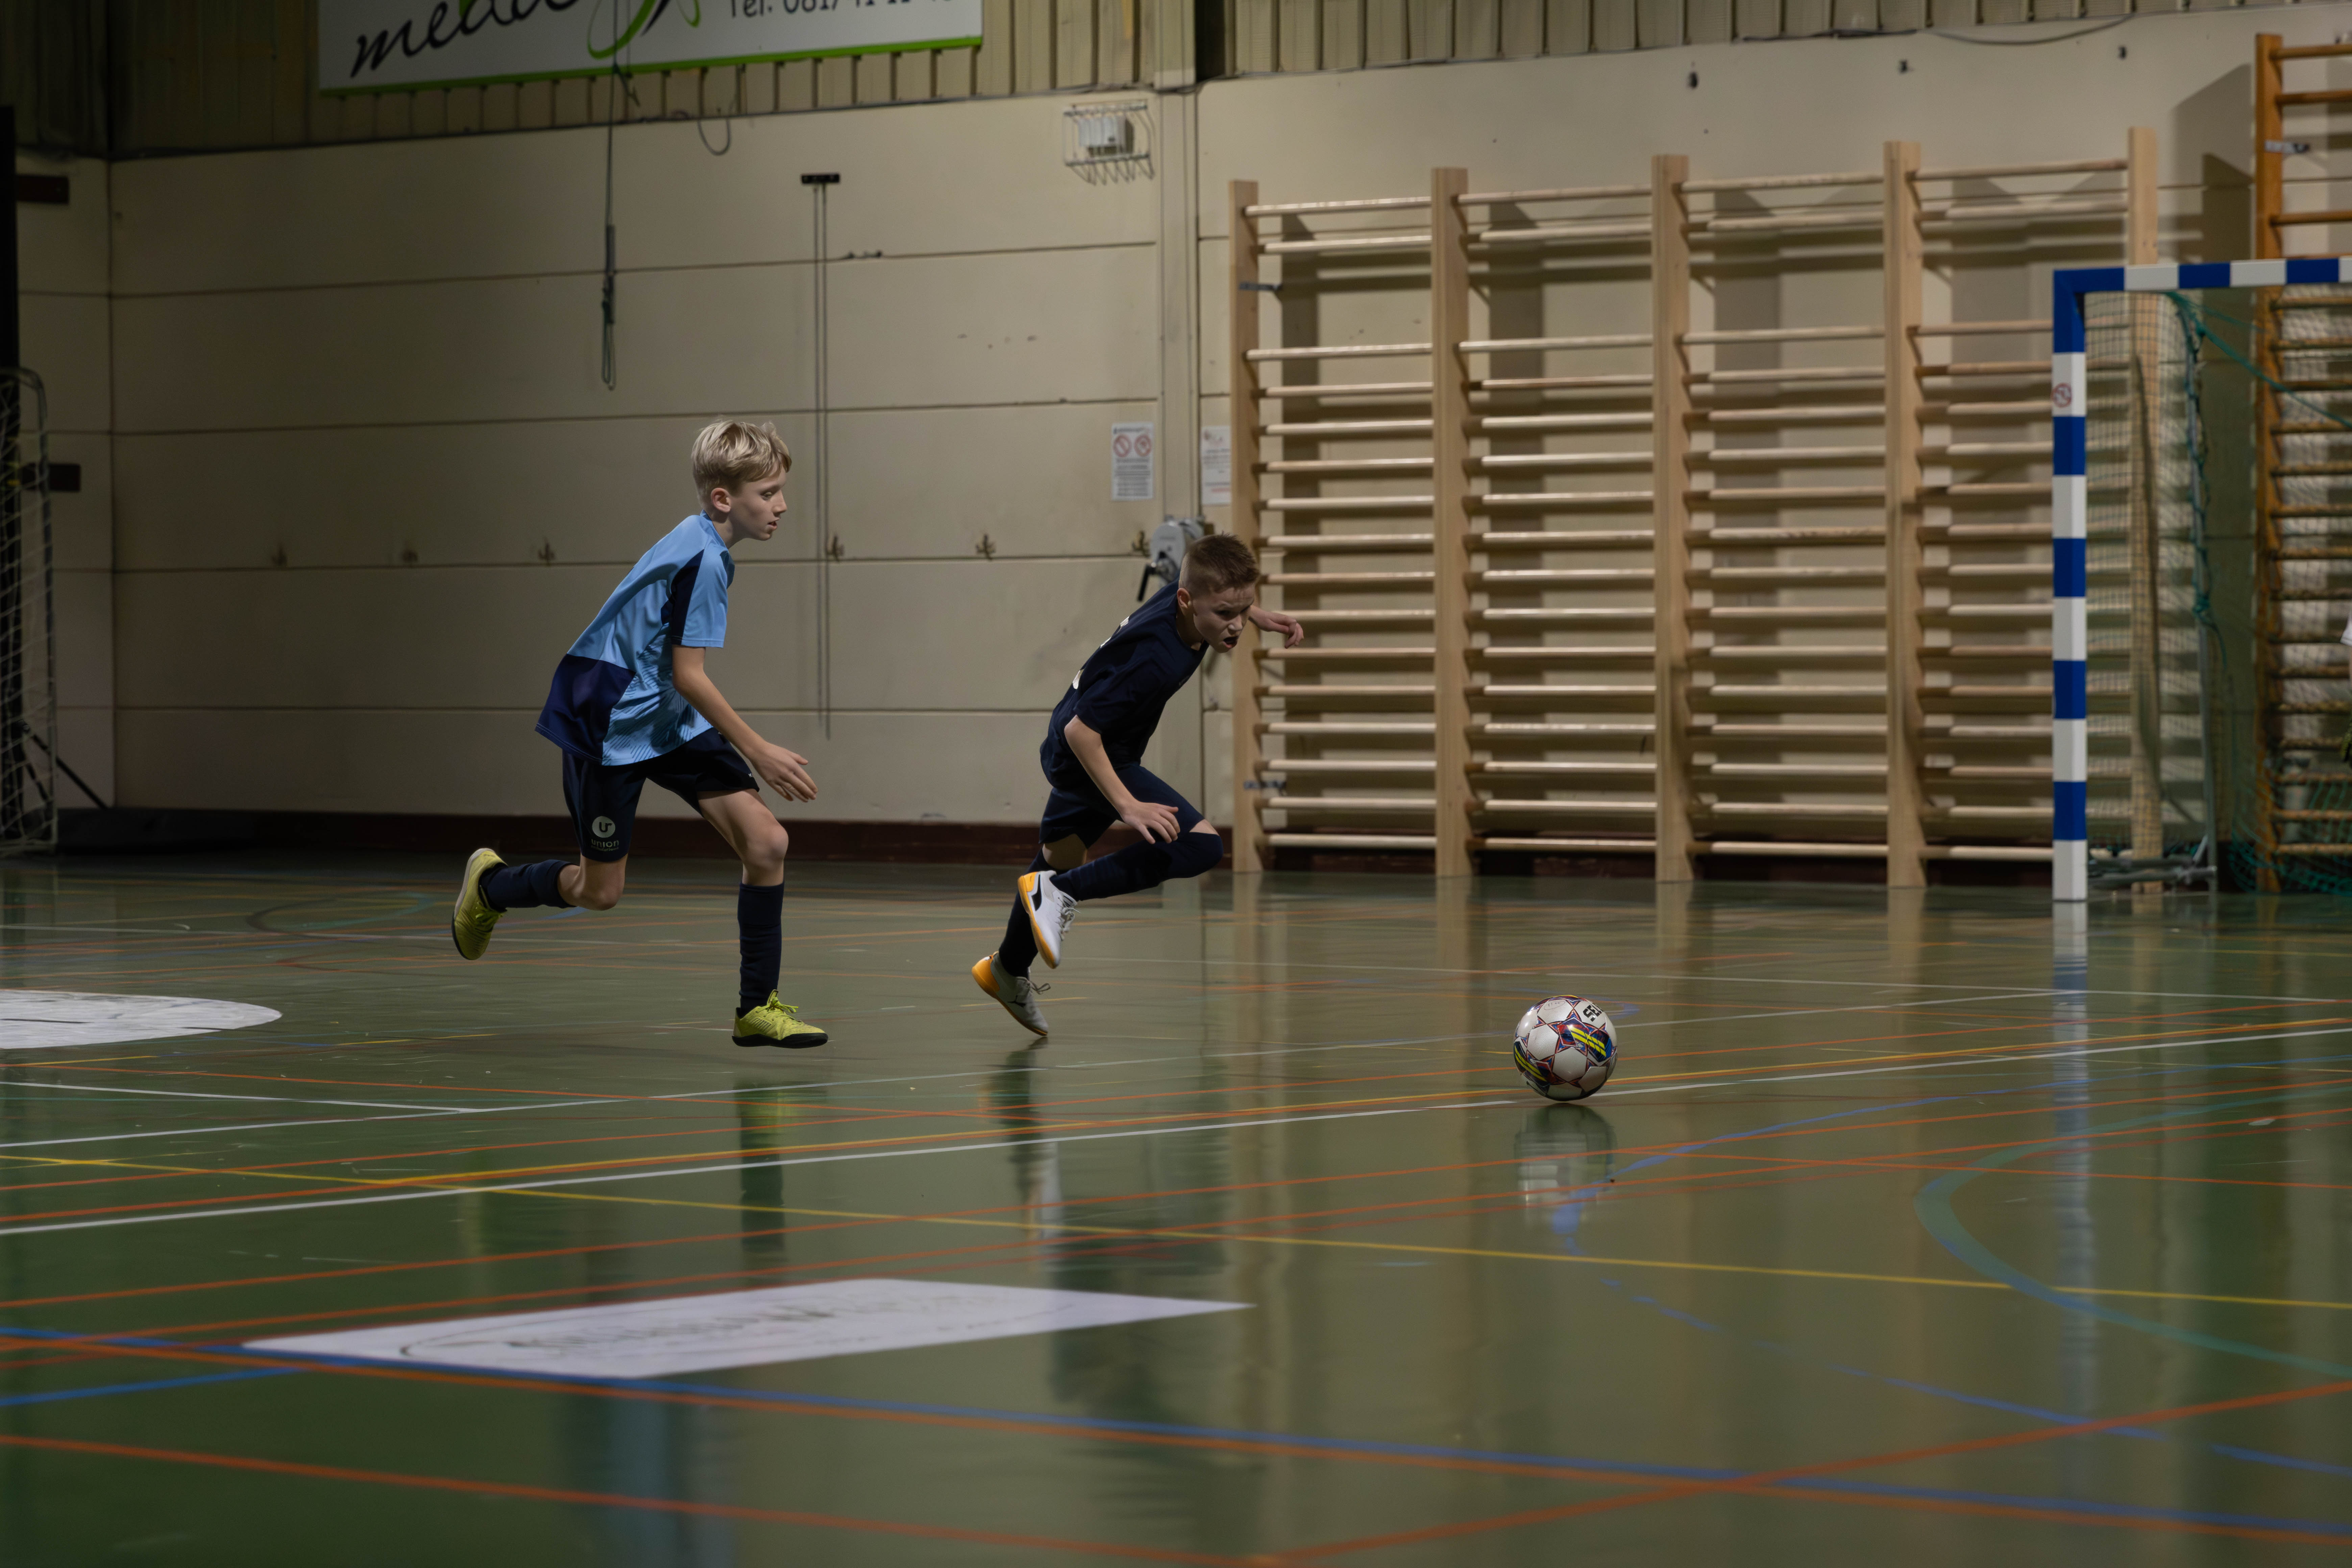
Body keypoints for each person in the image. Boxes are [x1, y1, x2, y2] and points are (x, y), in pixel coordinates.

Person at [449, 420, 828, 1048]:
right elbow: (690, 675)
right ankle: (491, 886)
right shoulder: (704, 560)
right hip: (611, 724)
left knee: (767, 844)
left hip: (666, 717)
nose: (782, 505)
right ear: (723, 499)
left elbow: (675, 677)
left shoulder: (705, 543)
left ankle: (757, 1008)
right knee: (599, 892)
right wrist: (757, 750)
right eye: (769, 493)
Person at [971, 533, 1302, 1035]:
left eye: (1243, 609)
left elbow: (1211, 592)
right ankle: (1059, 894)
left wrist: (1259, 615)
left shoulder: (1184, 602)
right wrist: (1127, 805)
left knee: (1059, 854)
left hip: (1082, 747)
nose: (1236, 625)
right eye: (1226, 614)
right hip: (1090, 753)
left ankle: (1005, 970)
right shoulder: (1156, 659)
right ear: (1188, 602)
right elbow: (1082, 733)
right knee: (1202, 847)